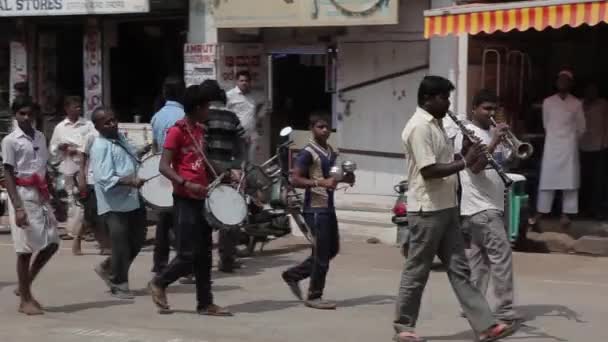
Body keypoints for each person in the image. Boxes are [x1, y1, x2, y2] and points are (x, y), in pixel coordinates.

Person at [393, 76, 517, 342]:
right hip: (427, 210)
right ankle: (403, 328)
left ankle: (485, 326)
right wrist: (465, 160)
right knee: (417, 270)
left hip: (447, 206)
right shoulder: (419, 127)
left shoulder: (438, 125)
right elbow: (429, 171)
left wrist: (471, 152)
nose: (448, 103)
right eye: (444, 98)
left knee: (460, 270)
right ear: (428, 99)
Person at [148, 84, 232, 316]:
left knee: (204, 254)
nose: (209, 111)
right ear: (197, 108)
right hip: (185, 198)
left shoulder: (200, 131)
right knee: (187, 255)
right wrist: (185, 183)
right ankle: (160, 282)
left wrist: (224, 172)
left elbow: (202, 161)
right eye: (206, 107)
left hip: (202, 197)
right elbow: (163, 166)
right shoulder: (176, 131)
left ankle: (205, 303)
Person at [454, 89, 521, 324]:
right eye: (486, 108)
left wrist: (510, 144)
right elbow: (475, 166)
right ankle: (504, 311)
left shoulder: (491, 131)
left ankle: (473, 306)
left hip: (491, 204)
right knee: (501, 257)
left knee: (480, 261)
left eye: (494, 109)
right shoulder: (468, 133)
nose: (491, 113)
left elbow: (504, 162)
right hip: (481, 207)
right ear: (474, 109)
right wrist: (494, 141)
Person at [281, 115, 353, 310]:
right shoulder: (307, 153)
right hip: (314, 209)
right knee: (322, 253)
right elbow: (295, 179)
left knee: (332, 250)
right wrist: (320, 183)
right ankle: (314, 295)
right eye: (321, 127)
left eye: (327, 127)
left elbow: (332, 178)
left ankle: (293, 275)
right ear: (312, 128)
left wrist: (346, 178)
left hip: (328, 208)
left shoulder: (330, 151)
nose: (325, 130)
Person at [2, 96, 60, 315]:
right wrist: (17, 207)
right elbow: (7, 173)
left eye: (29, 113)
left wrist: (54, 196)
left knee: (52, 242)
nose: (26, 118)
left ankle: (25, 283)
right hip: (22, 193)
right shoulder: (10, 141)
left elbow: (44, 168)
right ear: (15, 115)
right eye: (21, 114)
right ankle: (25, 299)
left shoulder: (40, 137)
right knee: (25, 249)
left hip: (41, 193)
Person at [89, 107, 147, 300]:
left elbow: (131, 158)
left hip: (133, 198)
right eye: (107, 122)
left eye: (114, 120)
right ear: (97, 127)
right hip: (114, 204)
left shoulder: (120, 138)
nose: (113, 124)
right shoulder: (100, 146)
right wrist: (130, 181)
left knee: (138, 240)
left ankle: (108, 267)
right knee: (121, 245)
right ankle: (119, 282)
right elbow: (104, 179)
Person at [201, 79, 247, 273]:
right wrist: (238, 167)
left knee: (205, 214)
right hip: (229, 169)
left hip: (207, 170)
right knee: (229, 212)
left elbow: (201, 147)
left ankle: (202, 257)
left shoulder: (203, 118)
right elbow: (242, 144)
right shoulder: (232, 118)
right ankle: (227, 259)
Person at [529, 70, 585, 229]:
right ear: (556, 82)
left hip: (569, 148)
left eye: (566, 80)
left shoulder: (576, 103)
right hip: (552, 146)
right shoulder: (548, 102)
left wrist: (571, 141)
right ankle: (541, 212)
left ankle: (566, 214)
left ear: (571, 84)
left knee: (569, 182)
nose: (563, 83)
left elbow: (582, 127)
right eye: (560, 80)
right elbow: (546, 124)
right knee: (548, 180)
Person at [150, 75, 186, 276]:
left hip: (163, 172)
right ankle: (182, 266)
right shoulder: (184, 117)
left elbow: (156, 149)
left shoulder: (157, 116)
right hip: (180, 173)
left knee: (163, 221)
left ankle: (159, 264)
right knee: (183, 220)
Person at [49, 96, 95, 243]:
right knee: (72, 198)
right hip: (68, 165)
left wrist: (78, 150)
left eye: (79, 106)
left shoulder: (87, 125)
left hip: (85, 164)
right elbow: (52, 147)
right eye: (75, 106)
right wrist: (61, 147)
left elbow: (95, 140)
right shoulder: (60, 127)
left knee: (84, 196)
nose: (78, 109)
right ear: (67, 109)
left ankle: (86, 229)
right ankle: (73, 230)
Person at [77, 126, 111, 256]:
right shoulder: (92, 136)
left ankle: (105, 245)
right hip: (92, 180)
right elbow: (83, 158)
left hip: (108, 180)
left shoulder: (114, 136)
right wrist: (82, 177)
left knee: (105, 215)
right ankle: (77, 240)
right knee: (91, 216)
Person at [579, 82, 608, 219]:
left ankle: (596, 209)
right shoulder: (579, 104)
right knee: (584, 179)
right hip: (582, 147)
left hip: (599, 147)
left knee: (598, 181)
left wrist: (605, 143)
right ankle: (583, 209)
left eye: (594, 90)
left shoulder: (603, 104)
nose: (591, 92)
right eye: (589, 90)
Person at [226, 70, 265, 162]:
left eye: (246, 81)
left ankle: (249, 176)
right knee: (239, 162)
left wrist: (259, 119)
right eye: (241, 80)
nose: (244, 83)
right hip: (237, 136)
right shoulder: (229, 95)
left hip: (252, 136)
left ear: (250, 82)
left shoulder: (254, 96)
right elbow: (227, 115)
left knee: (252, 163)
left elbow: (263, 104)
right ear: (237, 81)